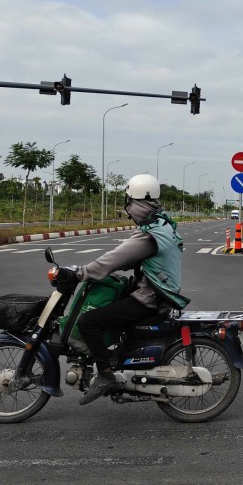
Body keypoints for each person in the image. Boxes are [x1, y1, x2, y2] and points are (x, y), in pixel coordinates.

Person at [56, 174, 190, 405]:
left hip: (150, 297)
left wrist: (79, 273)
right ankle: (118, 359)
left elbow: (113, 258)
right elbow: (133, 259)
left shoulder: (149, 234)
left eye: (128, 204)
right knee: (113, 304)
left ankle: (106, 374)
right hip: (158, 292)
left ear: (135, 202)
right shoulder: (161, 223)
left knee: (89, 321)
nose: (128, 212)